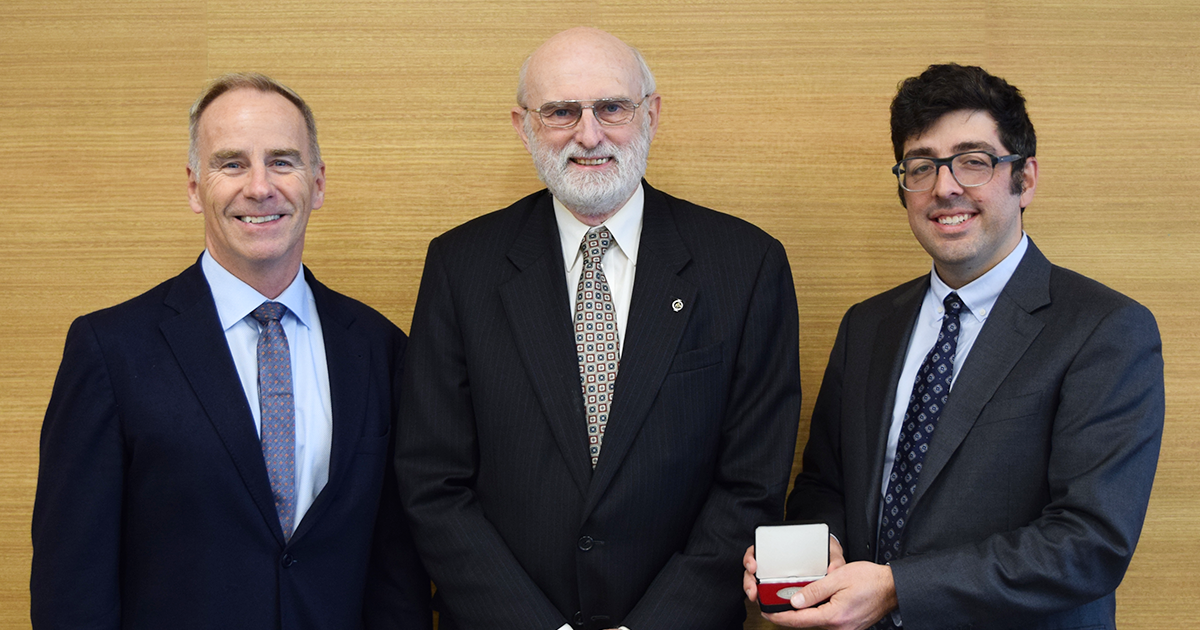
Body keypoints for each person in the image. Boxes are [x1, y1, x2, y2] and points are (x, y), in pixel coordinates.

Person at [395, 27, 801, 630]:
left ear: (652, 114)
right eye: (560, 112)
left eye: (612, 107)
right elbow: (433, 481)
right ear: (523, 125)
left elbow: (751, 485)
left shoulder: (746, 266)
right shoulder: (461, 266)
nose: (589, 135)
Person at [743, 63, 1164, 630]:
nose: (945, 187)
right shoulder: (867, 325)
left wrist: (897, 589)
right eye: (922, 166)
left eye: (974, 162)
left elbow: (1088, 543)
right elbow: (825, 484)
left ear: (1026, 178)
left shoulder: (1105, 329)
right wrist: (815, 556)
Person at [31, 73, 431, 629]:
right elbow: (72, 586)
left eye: (283, 161)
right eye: (232, 163)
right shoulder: (111, 351)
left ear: (317, 183)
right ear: (196, 187)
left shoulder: (379, 349)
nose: (260, 186)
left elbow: (397, 573)